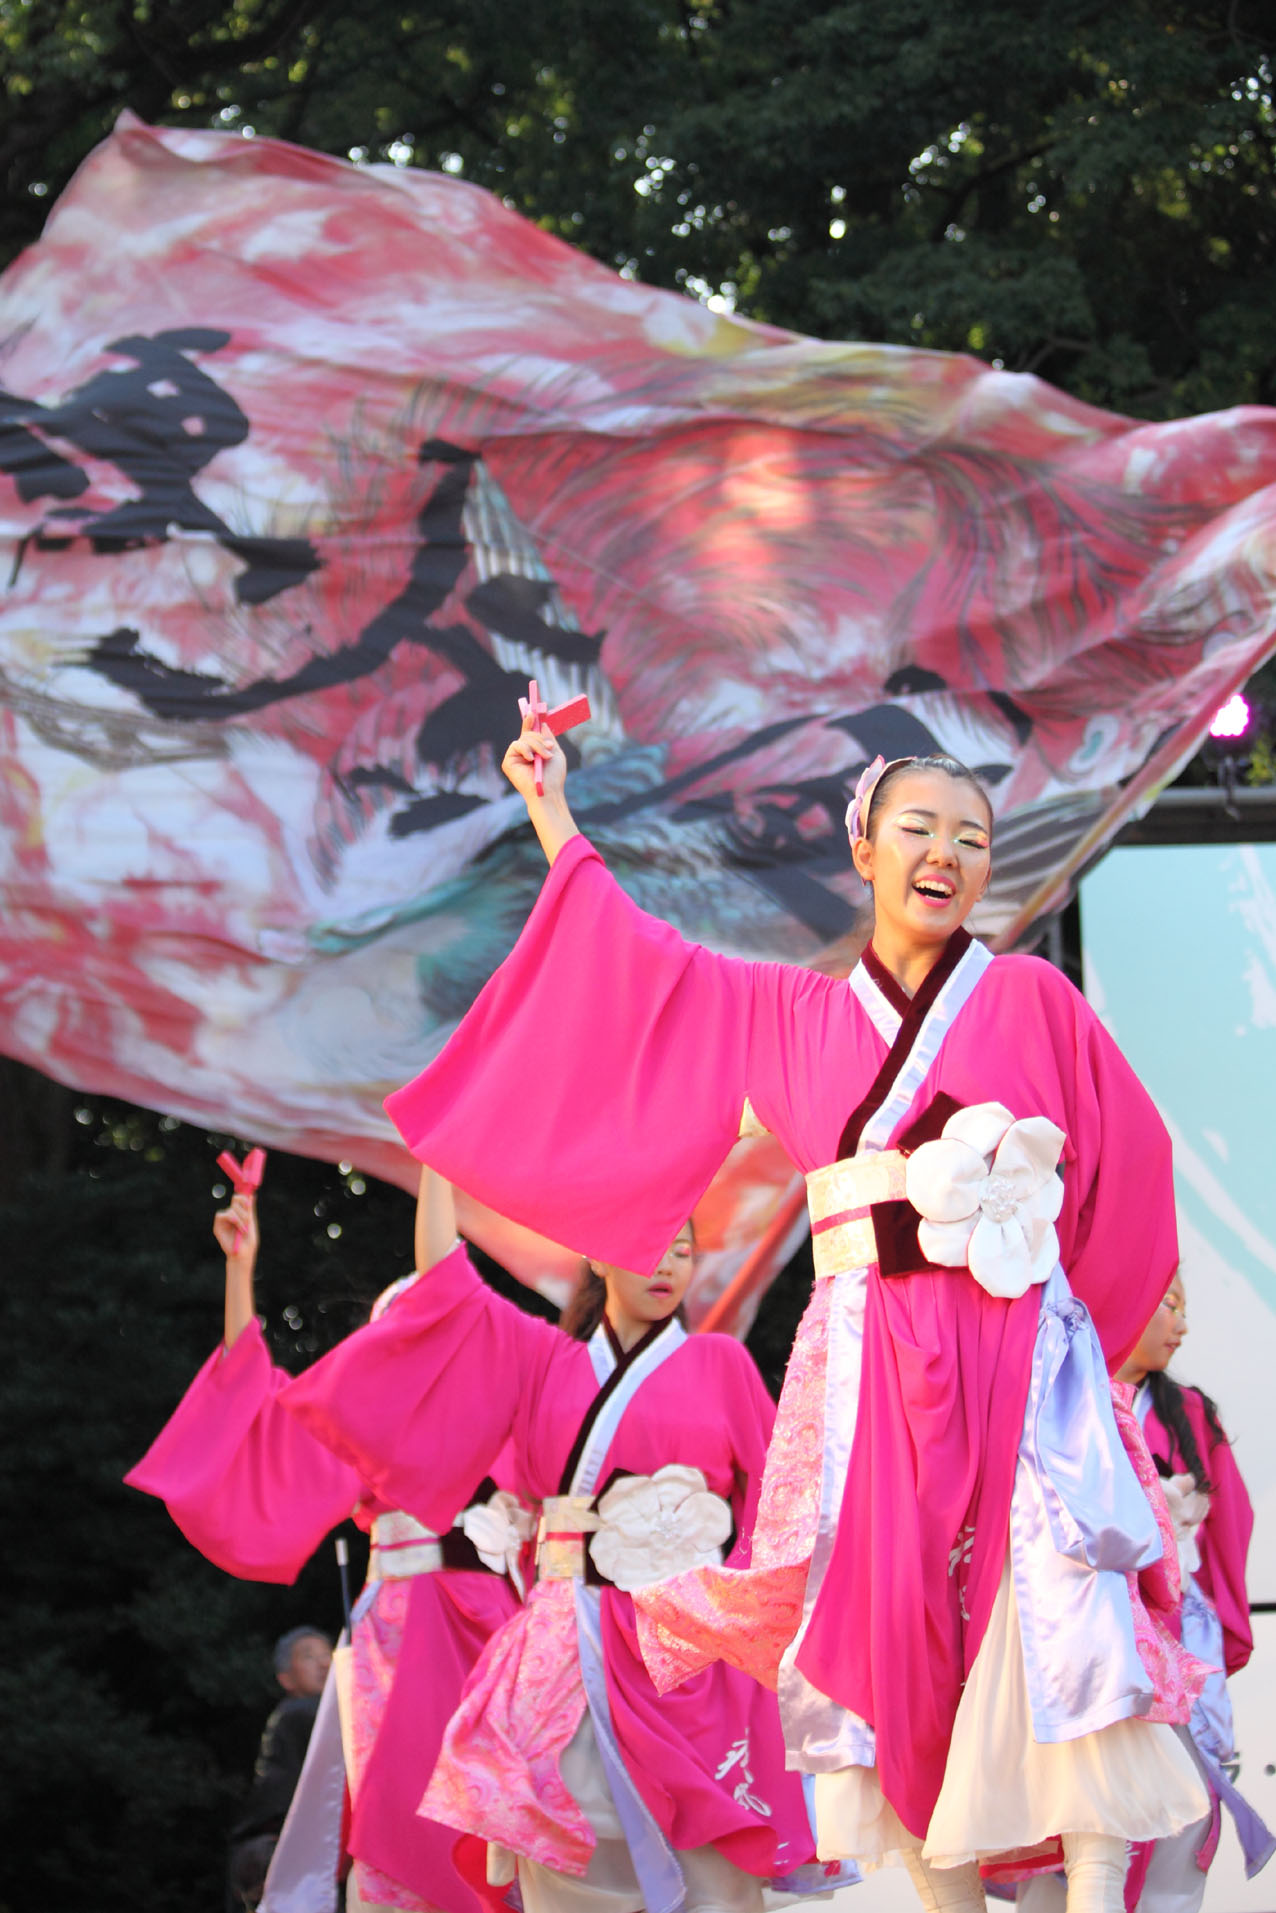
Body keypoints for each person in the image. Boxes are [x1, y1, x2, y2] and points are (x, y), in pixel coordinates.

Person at [376, 716, 1212, 1913]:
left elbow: (1130, 1161)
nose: (948, 853)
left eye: (972, 838)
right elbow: (637, 965)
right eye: (918, 827)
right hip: (872, 1369)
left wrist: (1094, 1347)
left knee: (1052, 1601)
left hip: (1021, 1360)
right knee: (895, 1640)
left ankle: (1089, 1892)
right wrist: (551, 808)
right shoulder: (793, 1017)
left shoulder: (1031, 994)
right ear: (864, 846)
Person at [282, 1167, 836, 1911]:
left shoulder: (721, 1363)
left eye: (683, 1250)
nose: (668, 1264)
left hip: (691, 1656)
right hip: (566, 1648)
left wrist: (729, 1606)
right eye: (649, 1247)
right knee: (567, 1872)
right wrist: (438, 1165)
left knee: (716, 1882)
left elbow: (783, 1507)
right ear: (600, 1256)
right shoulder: (545, 1364)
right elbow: (445, 1283)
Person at [126, 1174, 528, 1913]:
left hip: (503, 1629)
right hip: (405, 1634)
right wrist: (239, 1273)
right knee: (404, 1814)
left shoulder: (514, 1406)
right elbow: (261, 1404)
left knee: (509, 1815)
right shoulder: (362, 1420)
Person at [1120, 1276, 1275, 1910]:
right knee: (1086, 1817)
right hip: (1091, 1634)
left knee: (1184, 1813)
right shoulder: (1063, 1398)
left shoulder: (1187, 1412)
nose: (1180, 1325)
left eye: (1184, 1308)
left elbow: (1230, 1525)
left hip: (1175, 1633)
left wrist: (1219, 1627)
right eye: (1169, 1306)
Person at [227, 1627, 333, 1909]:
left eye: (328, 1654)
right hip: (283, 1850)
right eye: (309, 1656)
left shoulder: (313, 1714)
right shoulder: (301, 1713)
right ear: (285, 1678)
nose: (325, 1663)